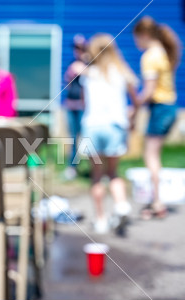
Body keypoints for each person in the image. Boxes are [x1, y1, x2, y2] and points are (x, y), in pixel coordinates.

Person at [80, 34, 138, 234]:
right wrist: (133, 118)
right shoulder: (122, 72)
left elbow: (84, 103)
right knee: (113, 173)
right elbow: (134, 100)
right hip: (115, 126)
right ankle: (121, 205)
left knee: (96, 175)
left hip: (93, 126)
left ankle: (101, 219)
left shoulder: (89, 73)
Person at [132, 16, 182, 219]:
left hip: (160, 108)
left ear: (143, 36)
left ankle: (157, 202)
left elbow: (149, 91)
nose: (136, 44)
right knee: (155, 155)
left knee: (150, 156)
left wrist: (134, 107)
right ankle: (156, 199)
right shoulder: (163, 52)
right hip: (169, 107)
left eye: (136, 39)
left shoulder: (150, 56)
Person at [62, 34, 88, 180]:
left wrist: (84, 68)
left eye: (80, 48)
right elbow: (67, 84)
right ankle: (71, 167)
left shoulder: (90, 64)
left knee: (88, 138)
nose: (77, 51)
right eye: (75, 48)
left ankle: (96, 168)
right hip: (71, 105)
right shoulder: (71, 64)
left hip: (84, 107)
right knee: (72, 138)